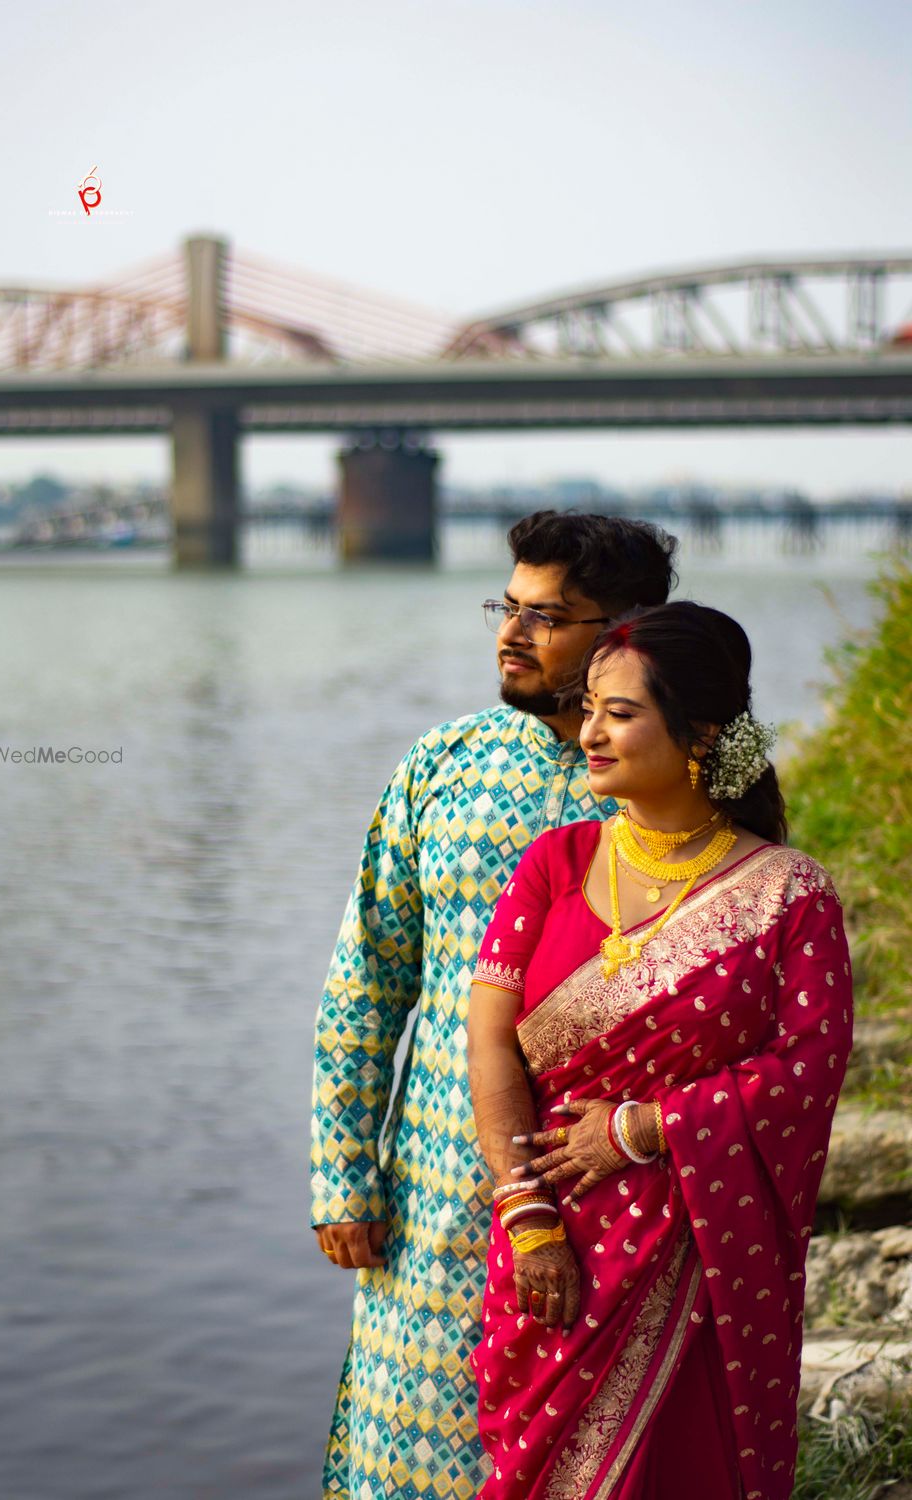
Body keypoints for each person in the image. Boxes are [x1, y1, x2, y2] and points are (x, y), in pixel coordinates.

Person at [311, 512, 679, 1500]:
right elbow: (368, 976)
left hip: (610, 1191)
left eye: (546, 617)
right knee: (406, 1458)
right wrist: (343, 1175)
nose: (511, 636)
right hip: (434, 1194)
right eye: (505, 609)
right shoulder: (444, 763)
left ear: (625, 631)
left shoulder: (683, 784)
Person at [468, 602, 852, 1500]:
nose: (590, 734)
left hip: (704, 1254)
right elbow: (490, 1046)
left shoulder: (788, 895)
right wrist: (526, 1217)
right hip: (548, 1241)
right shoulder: (553, 865)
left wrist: (646, 1127)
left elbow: (808, 1069)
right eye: (588, 708)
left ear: (700, 733)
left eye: (620, 713)